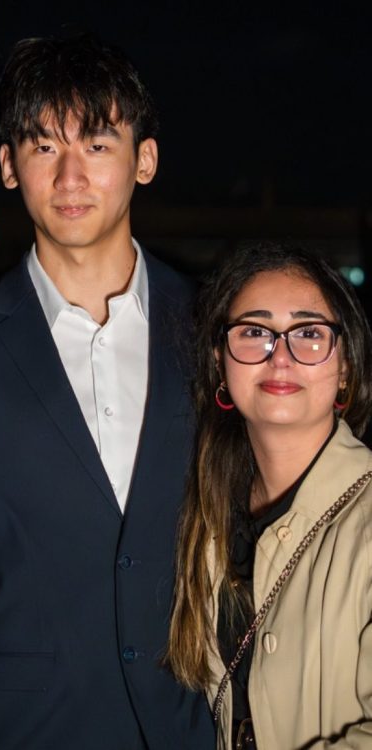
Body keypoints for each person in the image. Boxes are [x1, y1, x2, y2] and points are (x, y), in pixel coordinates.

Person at [0, 31, 214, 749]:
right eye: (43, 146)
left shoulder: (213, 330)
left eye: (96, 144)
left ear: (145, 159)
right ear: (9, 166)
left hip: (191, 728)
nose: (70, 176)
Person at [166, 242, 372, 749]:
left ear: (345, 366)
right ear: (220, 362)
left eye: (309, 333)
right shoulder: (208, 521)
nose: (280, 357)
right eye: (255, 332)